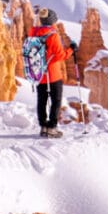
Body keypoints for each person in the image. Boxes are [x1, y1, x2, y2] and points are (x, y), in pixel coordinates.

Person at [29, 7, 76, 138]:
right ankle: (52, 128)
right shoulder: (52, 35)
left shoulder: (33, 33)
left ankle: (43, 127)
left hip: (38, 73)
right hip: (52, 74)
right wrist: (71, 49)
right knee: (56, 101)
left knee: (42, 101)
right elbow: (60, 55)